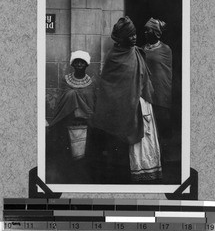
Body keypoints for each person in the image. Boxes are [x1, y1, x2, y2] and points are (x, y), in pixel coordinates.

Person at [93, 16, 162, 184]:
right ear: (122, 37)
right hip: (122, 109)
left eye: (135, 34)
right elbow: (108, 85)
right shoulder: (113, 57)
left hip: (141, 103)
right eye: (130, 35)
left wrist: (141, 95)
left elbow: (145, 79)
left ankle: (145, 171)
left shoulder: (137, 53)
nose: (134, 37)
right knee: (121, 147)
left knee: (144, 141)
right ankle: (122, 176)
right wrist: (124, 99)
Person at [46, 50, 96, 184]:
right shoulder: (65, 80)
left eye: (82, 62)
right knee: (67, 154)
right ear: (72, 64)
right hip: (67, 120)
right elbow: (62, 100)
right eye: (76, 62)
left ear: (87, 65)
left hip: (85, 122)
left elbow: (91, 102)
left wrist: (81, 106)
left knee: (84, 154)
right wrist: (74, 97)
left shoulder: (91, 82)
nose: (79, 64)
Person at [143, 18, 172, 156]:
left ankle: (164, 154)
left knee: (162, 121)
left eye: (148, 29)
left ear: (156, 32)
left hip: (161, 91)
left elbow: (165, 72)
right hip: (147, 91)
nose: (145, 32)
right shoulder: (143, 49)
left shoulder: (165, 49)